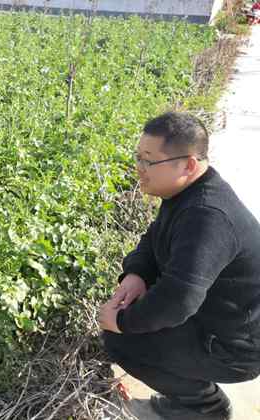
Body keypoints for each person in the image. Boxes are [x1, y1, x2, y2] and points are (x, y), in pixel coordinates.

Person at [98, 112, 260, 420]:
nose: (139, 170)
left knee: (121, 340)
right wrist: (136, 273)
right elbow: (154, 236)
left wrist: (121, 323)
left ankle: (204, 407)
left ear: (188, 164)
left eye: (149, 161)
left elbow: (178, 300)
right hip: (217, 319)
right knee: (136, 317)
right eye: (138, 157)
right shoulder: (187, 193)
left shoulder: (208, 215)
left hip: (237, 347)